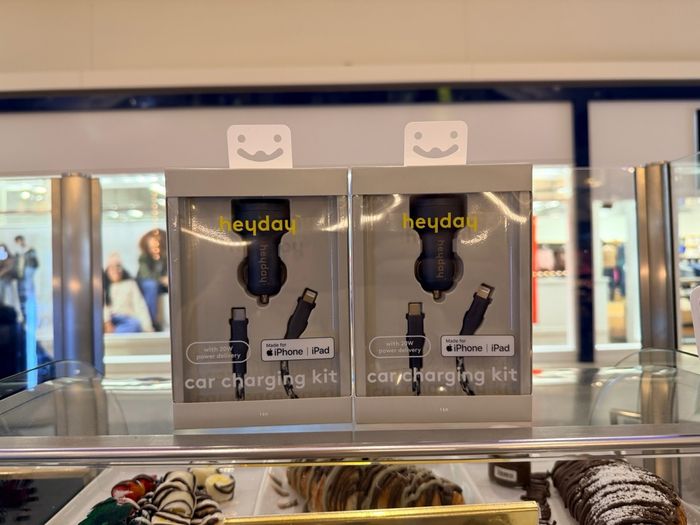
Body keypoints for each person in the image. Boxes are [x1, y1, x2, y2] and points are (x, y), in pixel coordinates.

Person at [104, 253, 154, 334]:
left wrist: (148, 328)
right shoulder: (103, 286)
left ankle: (115, 333)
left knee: (135, 324)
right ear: (107, 270)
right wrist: (107, 322)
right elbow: (102, 307)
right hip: (110, 319)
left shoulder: (130, 284)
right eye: (112, 267)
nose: (115, 270)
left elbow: (140, 306)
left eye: (118, 266)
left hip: (127, 320)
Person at [136, 229, 168, 330]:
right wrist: (162, 279)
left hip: (160, 285)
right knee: (151, 286)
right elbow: (146, 275)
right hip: (145, 282)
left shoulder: (165, 256)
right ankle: (152, 322)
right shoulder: (143, 257)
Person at [14, 235, 38, 325]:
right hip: (20, 279)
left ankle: (32, 319)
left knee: (30, 297)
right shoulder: (17, 253)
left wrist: (28, 272)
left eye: (20, 241)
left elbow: (35, 264)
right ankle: (25, 318)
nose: (19, 243)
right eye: (17, 242)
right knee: (21, 298)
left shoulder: (30, 251)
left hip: (28, 278)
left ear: (23, 240)